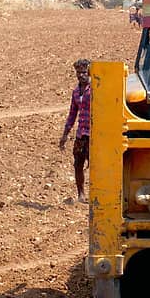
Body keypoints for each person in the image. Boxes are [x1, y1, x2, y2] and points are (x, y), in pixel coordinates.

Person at [59, 59, 91, 203]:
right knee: (78, 163)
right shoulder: (76, 92)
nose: (81, 75)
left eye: (84, 72)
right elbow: (72, 114)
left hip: (95, 135)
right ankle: (81, 194)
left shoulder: (96, 89)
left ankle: (97, 194)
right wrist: (65, 134)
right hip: (81, 134)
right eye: (78, 72)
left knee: (96, 165)